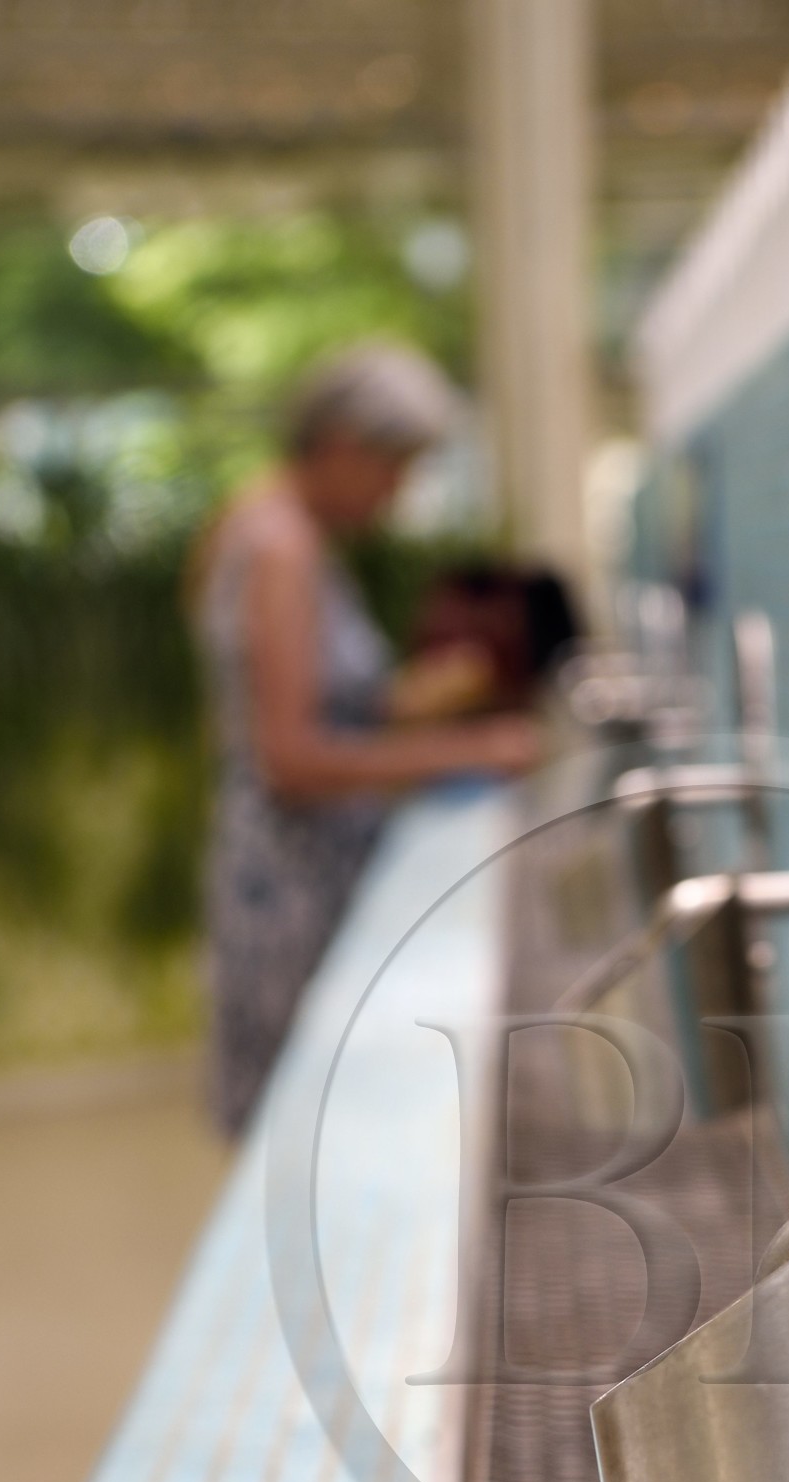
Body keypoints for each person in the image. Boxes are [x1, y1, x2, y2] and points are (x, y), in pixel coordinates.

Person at [194, 341, 540, 1134]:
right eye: (395, 469)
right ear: (345, 446)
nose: (398, 493)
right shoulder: (281, 549)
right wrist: (472, 751)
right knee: (301, 1133)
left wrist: (415, 699)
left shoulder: (273, 532)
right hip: (290, 885)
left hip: (296, 868)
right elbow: (290, 758)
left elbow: (324, 709)